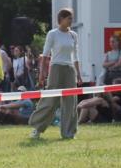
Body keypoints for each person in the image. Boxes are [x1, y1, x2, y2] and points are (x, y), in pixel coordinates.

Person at [28, 8, 82, 140]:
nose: (71, 20)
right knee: (51, 100)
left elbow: (75, 56)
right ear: (61, 19)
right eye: (68, 18)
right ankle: (37, 128)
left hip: (70, 69)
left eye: (71, 18)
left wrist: (78, 74)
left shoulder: (73, 35)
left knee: (71, 102)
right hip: (56, 68)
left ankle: (68, 133)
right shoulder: (52, 34)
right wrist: (42, 74)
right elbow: (45, 55)